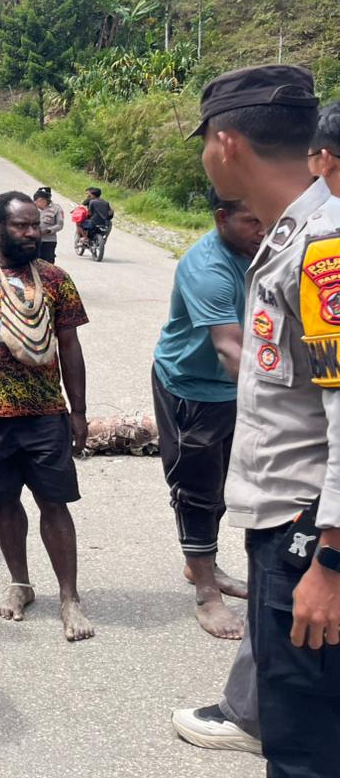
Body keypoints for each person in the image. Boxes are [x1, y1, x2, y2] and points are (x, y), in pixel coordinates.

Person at [192, 64, 339, 777]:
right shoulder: (290, 236)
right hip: (291, 528)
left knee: (304, 748)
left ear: (226, 143)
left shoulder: (320, 245)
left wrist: (331, 562)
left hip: (308, 537)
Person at [0, 191, 95, 642]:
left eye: (36, 225)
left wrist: (78, 411)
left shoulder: (55, 279)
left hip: (46, 414)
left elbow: (70, 346)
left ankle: (69, 596)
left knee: (54, 503)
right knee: (4, 502)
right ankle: (20, 584)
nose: (33, 232)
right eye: (23, 226)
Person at [152, 190, 264, 639]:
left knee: (223, 486)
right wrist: (273, 406)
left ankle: (204, 565)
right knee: (197, 489)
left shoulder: (263, 250)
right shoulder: (209, 267)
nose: (262, 230)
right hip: (192, 389)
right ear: (221, 218)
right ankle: (206, 593)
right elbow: (229, 348)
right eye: (252, 222)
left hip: (237, 388)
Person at [34, 187, 63, 263]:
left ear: (45, 200)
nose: (36, 202)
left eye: (39, 200)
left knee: (48, 264)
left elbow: (60, 225)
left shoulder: (56, 208)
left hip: (48, 241)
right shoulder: (31, 208)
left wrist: (48, 230)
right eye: (36, 200)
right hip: (33, 240)